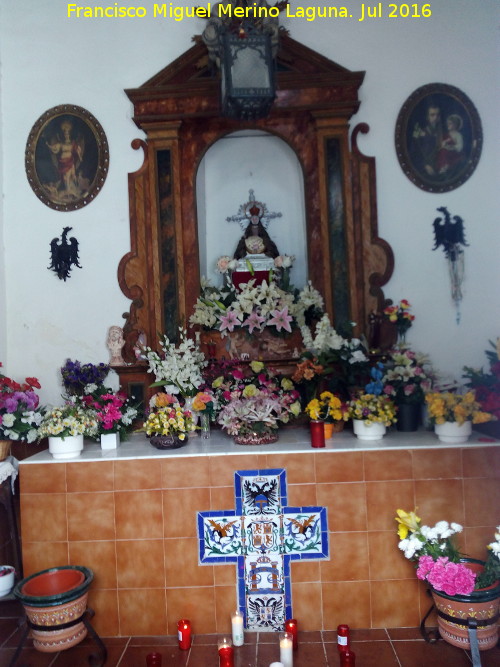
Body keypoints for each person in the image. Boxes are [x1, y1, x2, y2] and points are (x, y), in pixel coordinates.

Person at [46, 119, 84, 197]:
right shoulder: (61, 143)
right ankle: (67, 190)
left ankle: (72, 189)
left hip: (70, 161)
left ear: (69, 134)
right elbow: (55, 149)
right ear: (63, 135)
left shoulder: (73, 143)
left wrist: (80, 157)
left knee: (71, 176)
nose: (66, 135)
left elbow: (78, 150)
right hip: (62, 162)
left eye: (67, 134)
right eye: (65, 134)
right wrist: (48, 146)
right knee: (65, 177)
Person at [411, 102, 443, 178]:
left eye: (437, 115)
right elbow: (414, 153)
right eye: (432, 115)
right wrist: (425, 166)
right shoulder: (420, 134)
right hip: (424, 170)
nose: (435, 117)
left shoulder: (443, 133)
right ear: (427, 117)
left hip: (440, 168)